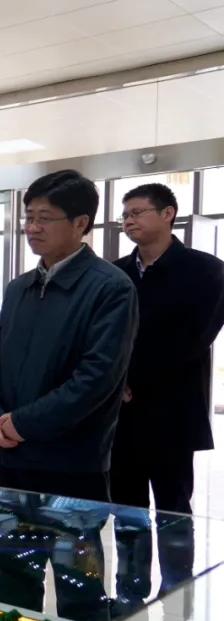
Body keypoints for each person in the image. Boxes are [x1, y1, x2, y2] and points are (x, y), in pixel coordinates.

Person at [0, 169, 137, 621]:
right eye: (28, 217)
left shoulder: (110, 288)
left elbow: (96, 379)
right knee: (14, 578)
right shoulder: (19, 288)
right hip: (11, 462)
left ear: (81, 223)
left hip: (71, 466)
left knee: (78, 586)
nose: (32, 227)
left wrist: (20, 423)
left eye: (45, 218)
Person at [111, 183, 224, 515]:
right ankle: (130, 556)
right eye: (124, 215)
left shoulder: (206, 270)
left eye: (137, 212)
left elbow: (195, 337)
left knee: (173, 510)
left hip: (173, 408)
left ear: (167, 214)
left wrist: (130, 377)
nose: (129, 221)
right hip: (121, 412)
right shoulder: (115, 273)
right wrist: (114, 379)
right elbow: (100, 335)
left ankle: (178, 557)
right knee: (125, 508)